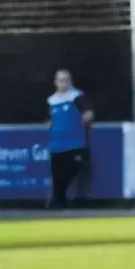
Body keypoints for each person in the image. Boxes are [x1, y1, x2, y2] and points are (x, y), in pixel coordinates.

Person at [46, 69, 94, 210]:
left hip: (75, 143)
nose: (63, 83)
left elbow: (88, 112)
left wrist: (87, 117)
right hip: (56, 145)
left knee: (75, 171)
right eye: (60, 80)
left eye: (66, 79)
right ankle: (58, 203)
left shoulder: (76, 96)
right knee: (57, 176)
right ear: (55, 82)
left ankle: (80, 202)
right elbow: (48, 119)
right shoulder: (51, 101)